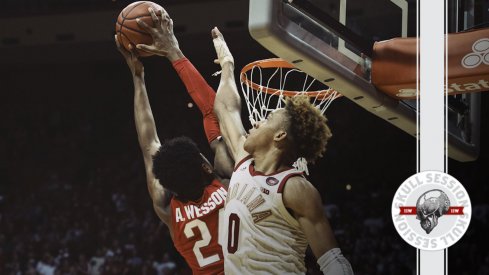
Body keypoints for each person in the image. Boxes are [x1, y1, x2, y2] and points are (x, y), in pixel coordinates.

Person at [212, 27, 354, 275]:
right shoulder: (244, 162)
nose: (255, 122)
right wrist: (227, 63)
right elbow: (225, 107)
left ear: (279, 136)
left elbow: (333, 261)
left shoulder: (295, 188)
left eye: (266, 120)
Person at [115, 7, 232, 274]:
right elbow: (213, 111)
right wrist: (173, 52)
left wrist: (137, 77)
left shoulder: (167, 209)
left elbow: (148, 144)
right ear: (205, 166)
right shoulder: (227, 186)